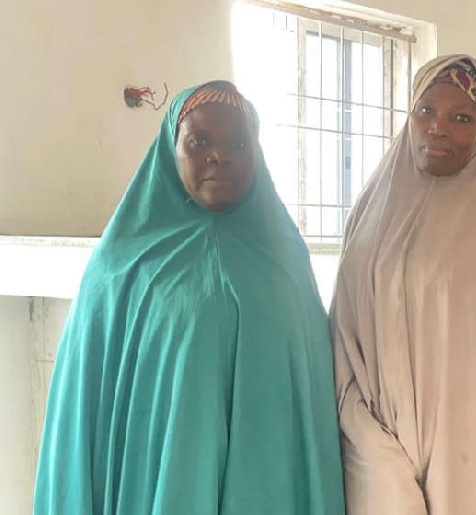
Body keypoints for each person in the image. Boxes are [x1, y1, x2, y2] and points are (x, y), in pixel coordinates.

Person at [33, 80, 345, 515]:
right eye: (199, 141)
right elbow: (82, 409)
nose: (220, 155)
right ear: (171, 147)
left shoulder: (286, 261)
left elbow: (311, 410)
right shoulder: (122, 265)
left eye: (239, 142)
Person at [331, 54, 476, 515]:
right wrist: (372, 446)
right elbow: (344, 340)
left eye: (461, 117)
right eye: (426, 111)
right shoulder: (372, 213)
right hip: (376, 443)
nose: (438, 128)